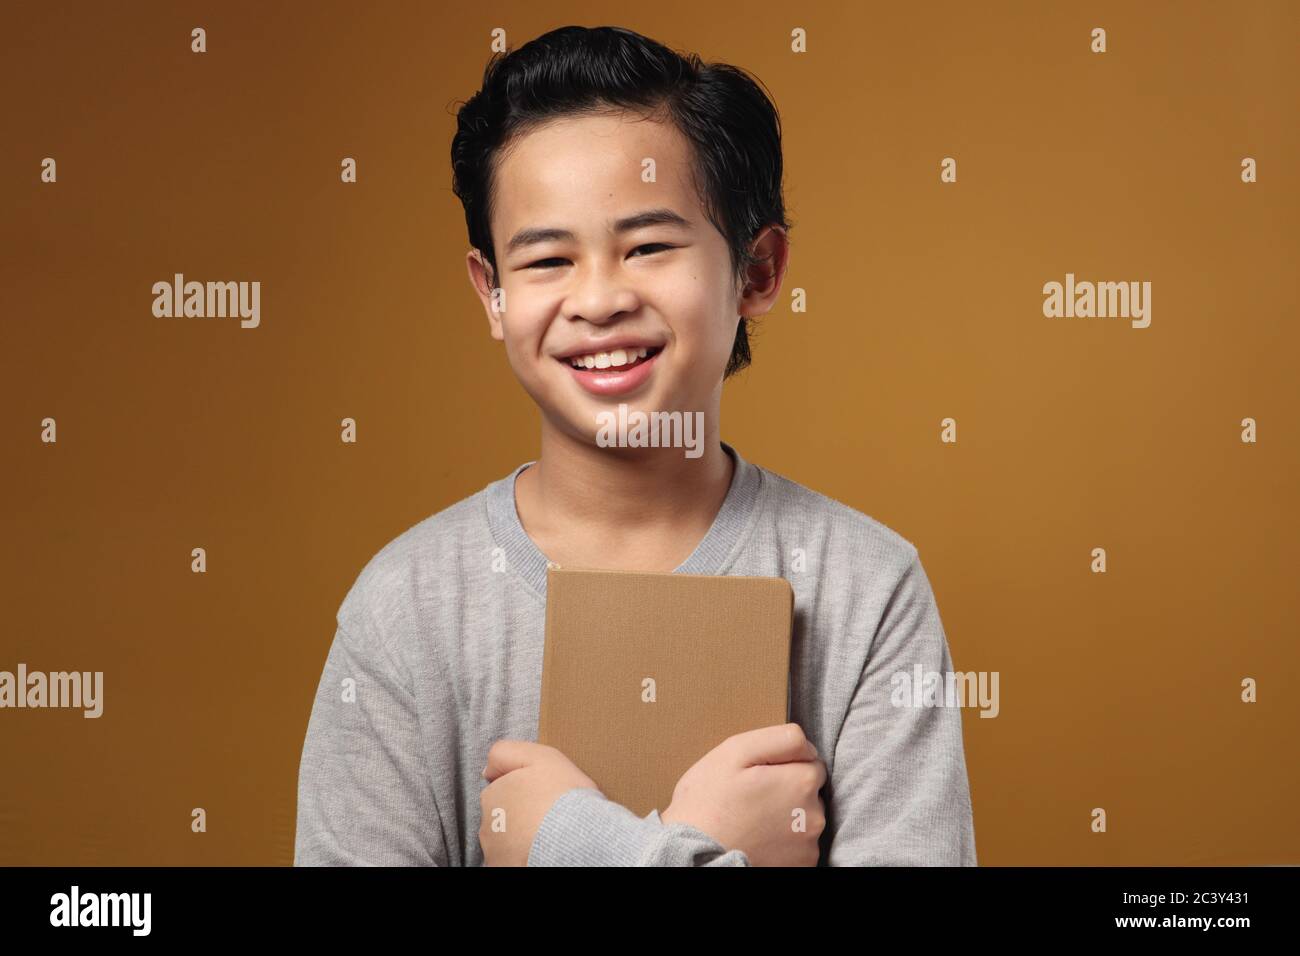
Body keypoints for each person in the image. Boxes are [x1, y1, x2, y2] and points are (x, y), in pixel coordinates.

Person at [294, 24, 977, 867]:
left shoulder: (868, 590)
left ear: (756, 272)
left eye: (649, 247)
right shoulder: (407, 611)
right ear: (492, 294)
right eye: (546, 260)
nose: (599, 299)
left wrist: (563, 844)